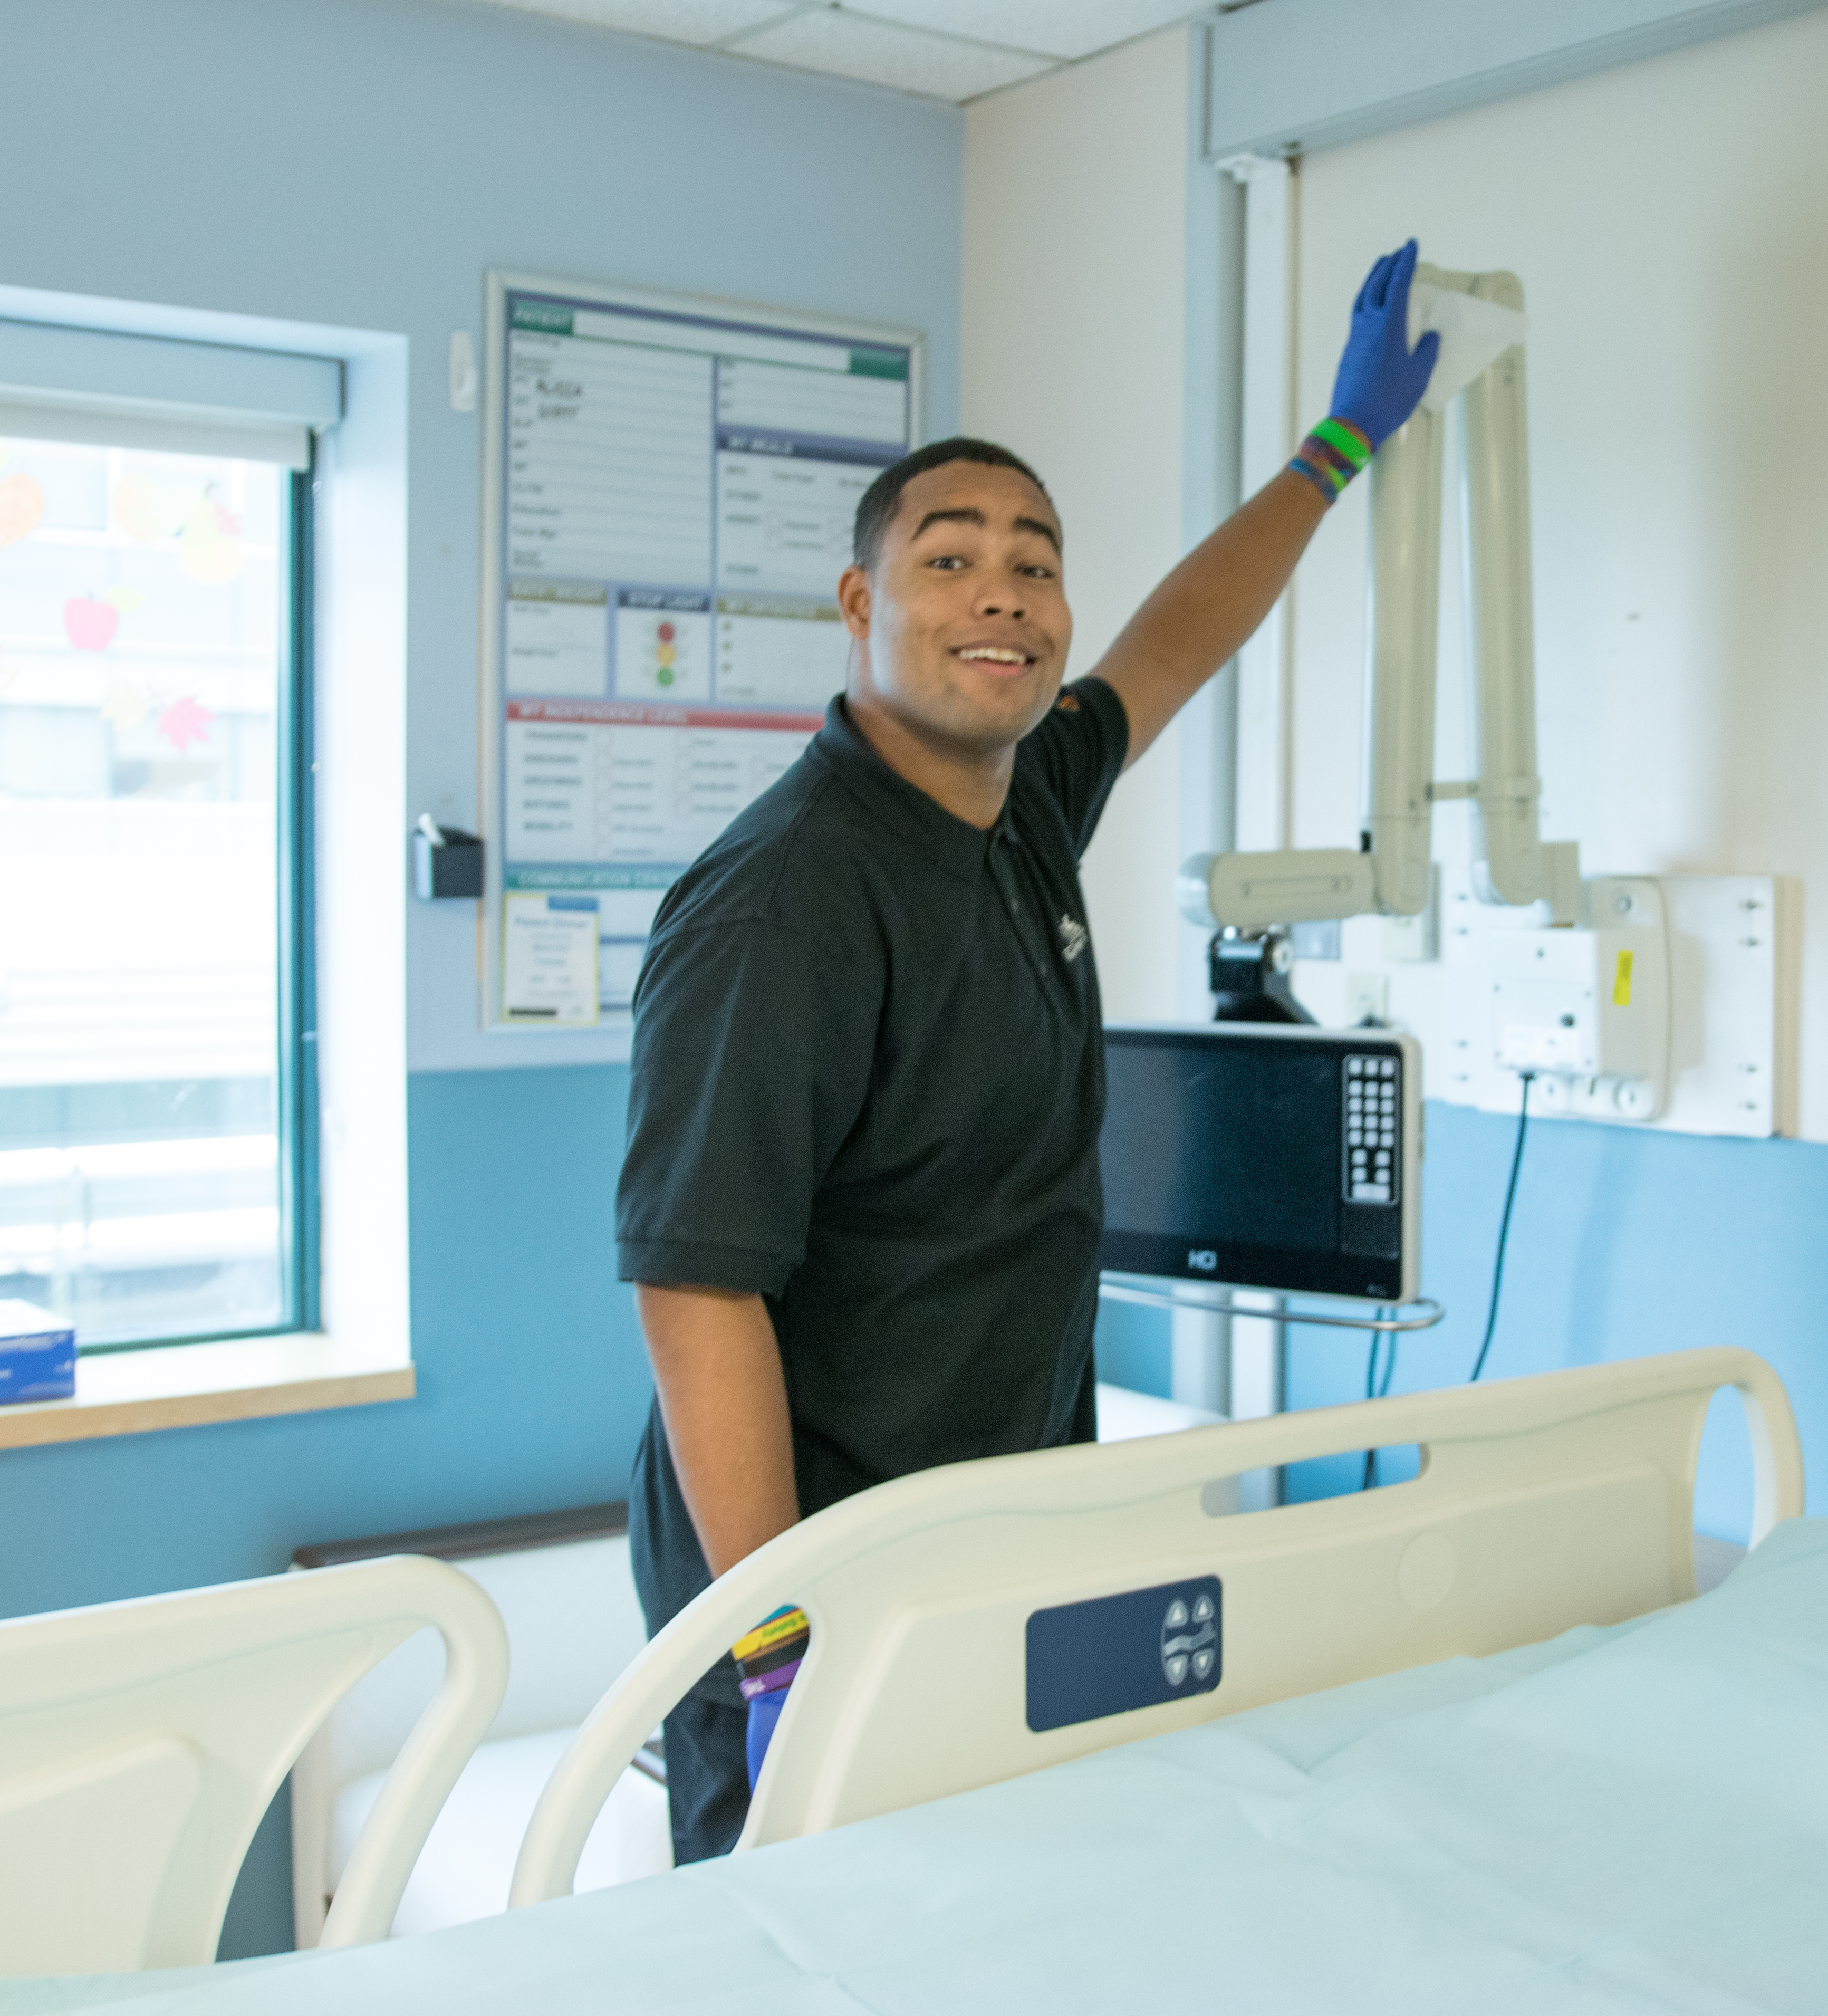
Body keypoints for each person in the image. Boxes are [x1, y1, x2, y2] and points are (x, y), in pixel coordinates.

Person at [615, 239, 1444, 1863]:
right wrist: (777, 1641)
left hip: (994, 1531)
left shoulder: (1020, 812)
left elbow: (1177, 642)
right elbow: (695, 1287)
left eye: (1035, 562)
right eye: (948, 559)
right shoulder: (784, 907)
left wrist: (1333, 453)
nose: (1002, 591)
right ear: (861, 607)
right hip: (813, 1581)